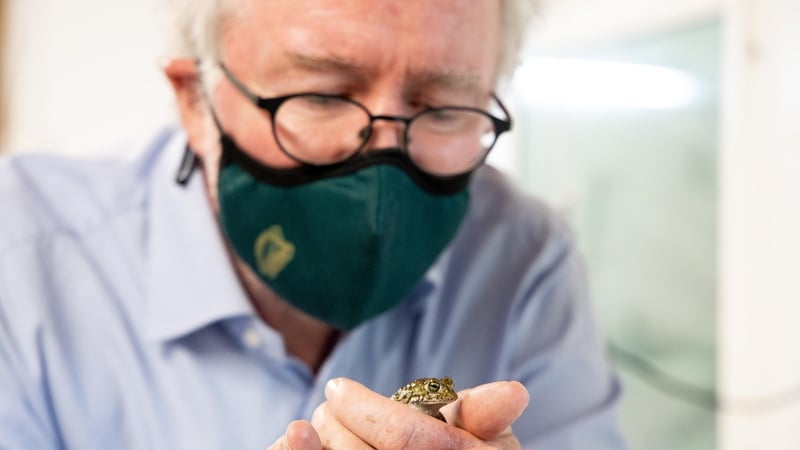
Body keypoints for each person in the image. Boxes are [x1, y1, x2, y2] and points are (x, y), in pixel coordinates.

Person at [0, 1, 627, 449]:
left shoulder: (523, 261)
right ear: (194, 100)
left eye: (441, 106)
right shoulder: (22, 258)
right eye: (322, 95)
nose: (381, 161)